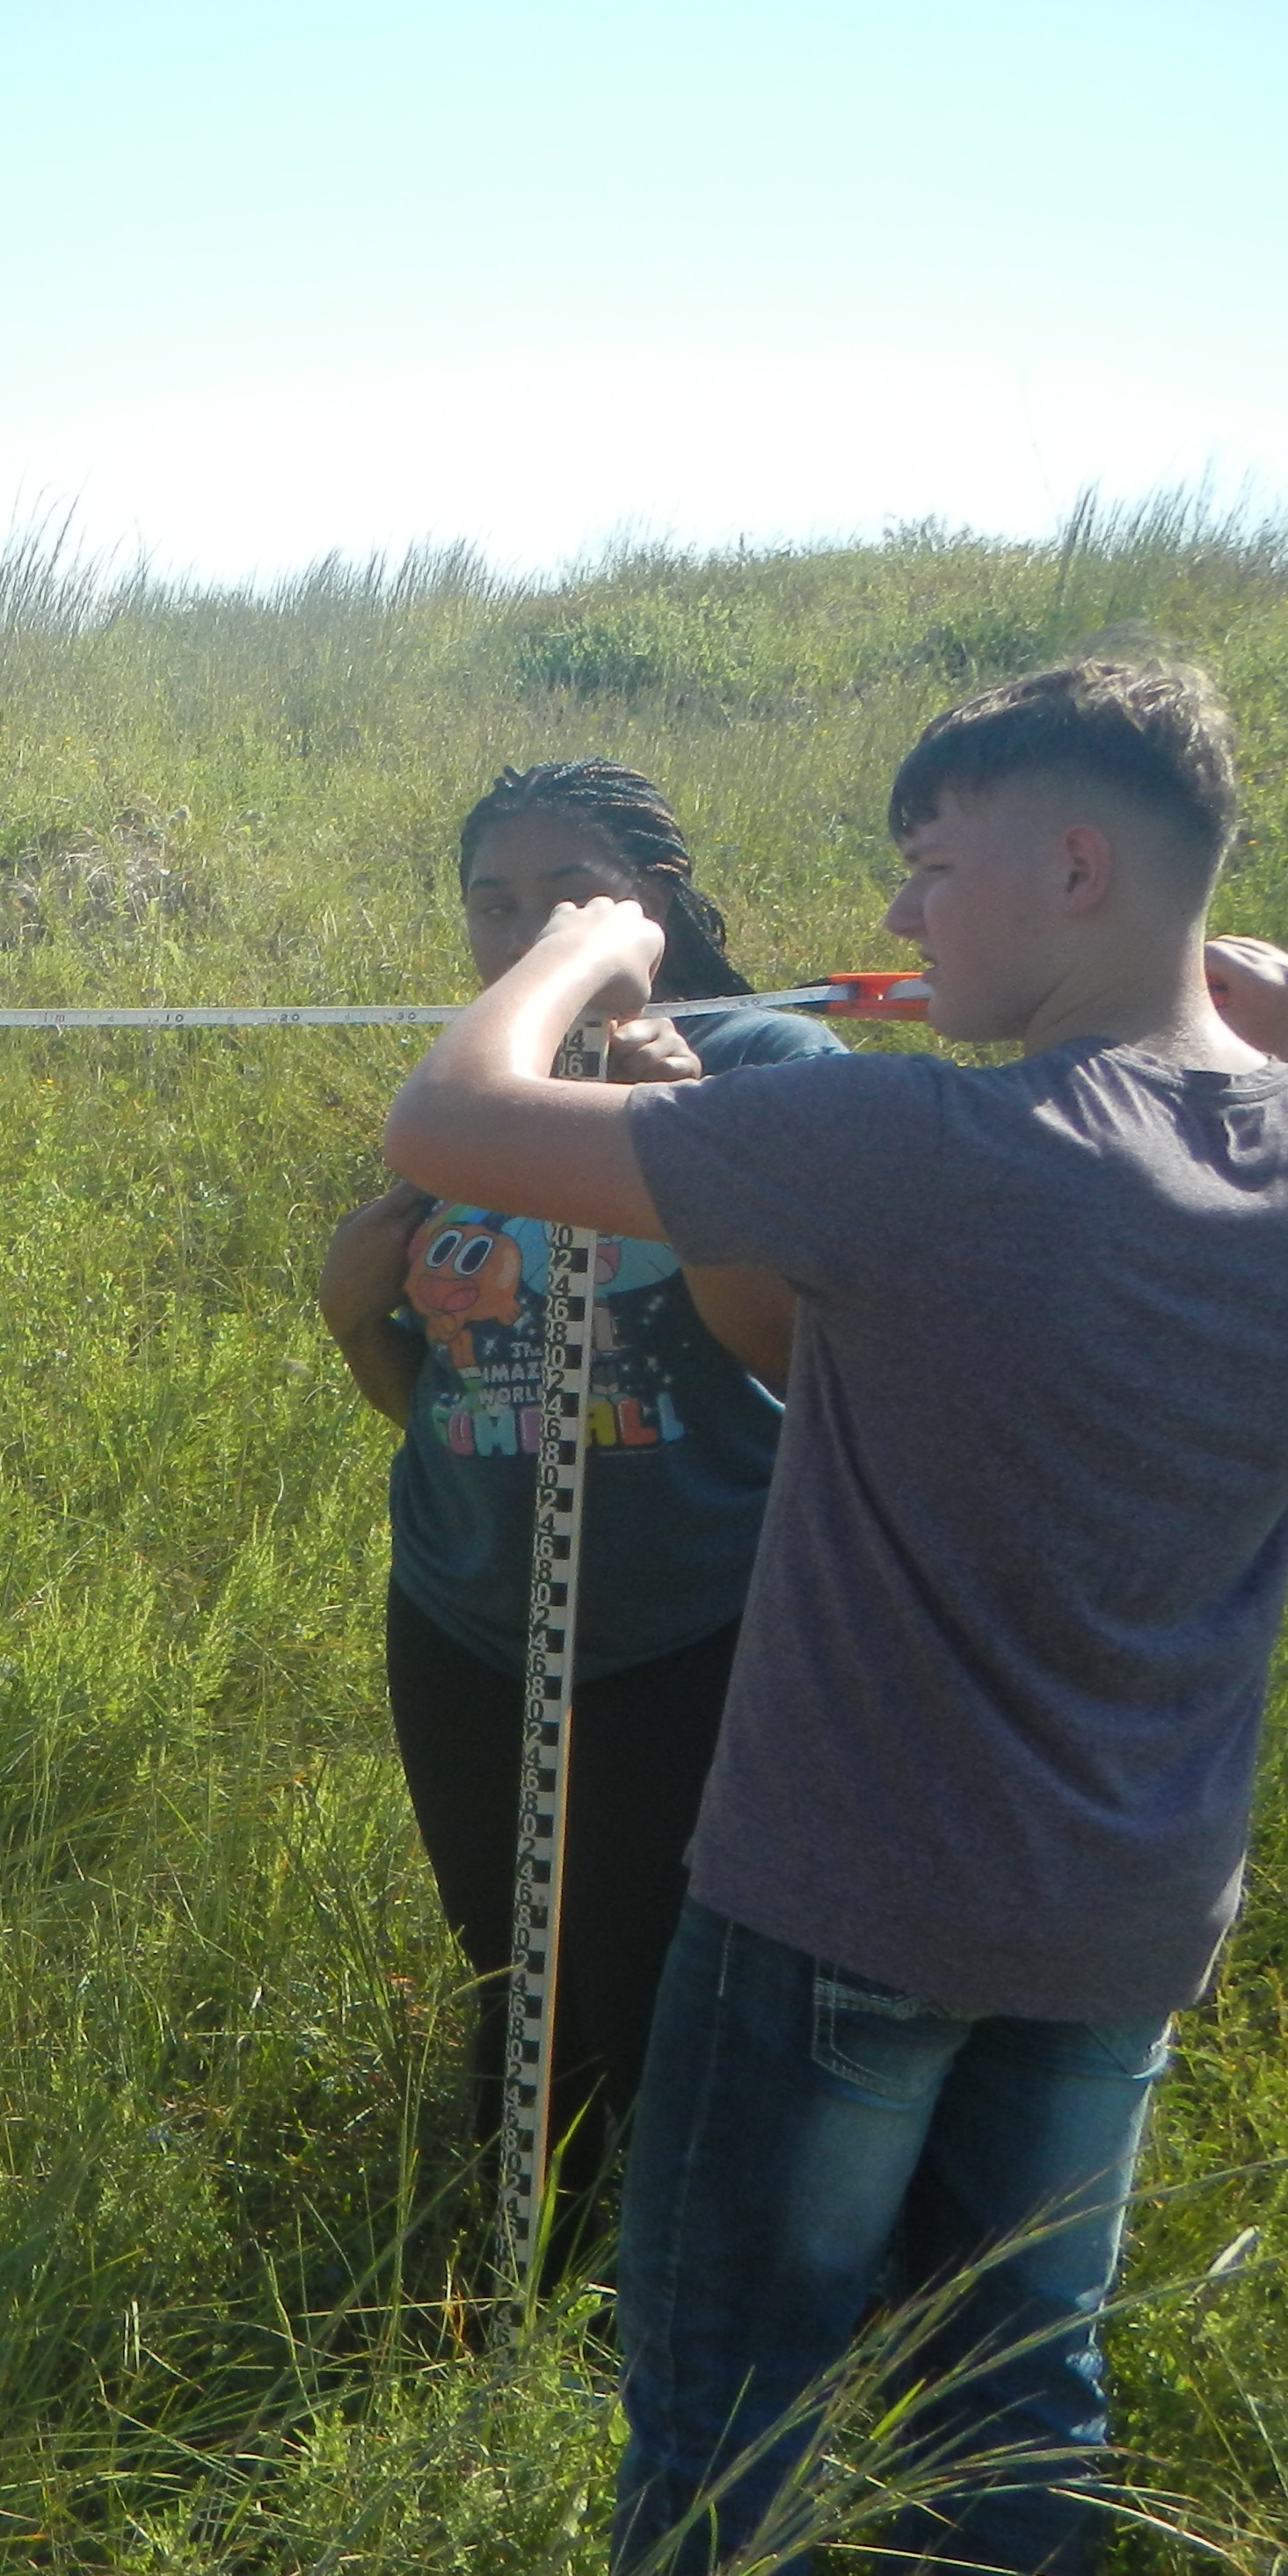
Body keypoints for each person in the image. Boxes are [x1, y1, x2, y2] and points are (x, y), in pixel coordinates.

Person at [382, 662, 1288, 2576]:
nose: (903, 926)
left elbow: (445, 1128)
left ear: (1075, 865)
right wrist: (1279, 1054)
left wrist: (569, 950)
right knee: (1025, 2365)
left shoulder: (902, 1139)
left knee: (736, 2364)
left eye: (933, 868)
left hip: (842, 1900)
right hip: (1122, 1927)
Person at [317, 765, 835, 2251]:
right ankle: (504, 2285)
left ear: (649, 902)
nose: (520, 926)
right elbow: (467, 1400)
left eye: (565, 892)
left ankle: (670, 2317)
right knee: (507, 1977)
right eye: (491, 899)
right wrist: (357, 1325)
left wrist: (684, 1132)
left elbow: (808, 1359)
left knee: (653, 1988)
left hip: (686, 1623)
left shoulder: (770, 1064)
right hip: (463, 1615)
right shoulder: (482, 1076)